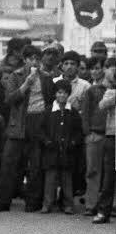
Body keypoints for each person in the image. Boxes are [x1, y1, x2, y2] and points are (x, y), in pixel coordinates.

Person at [0, 45, 56, 211]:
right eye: (31, 59)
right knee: (9, 163)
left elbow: (50, 100)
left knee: (35, 166)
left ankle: (33, 202)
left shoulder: (45, 77)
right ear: (25, 60)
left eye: (37, 59)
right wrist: (26, 85)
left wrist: (45, 115)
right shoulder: (16, 75)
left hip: (38, 121)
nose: (34, 62)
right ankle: (2, 201)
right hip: (19, 123)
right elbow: (9, 100)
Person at [40, 80, 83, 214]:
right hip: (51, 150)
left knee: (66, 180)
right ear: (55, 94)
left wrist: (73, 142)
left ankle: (68, 204)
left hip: (67, 151)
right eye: (59, 93)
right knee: (50, 179)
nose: (62, 96)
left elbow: (78, 132)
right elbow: (41, 130)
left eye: (64, 93)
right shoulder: (48, 111)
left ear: (68, 94)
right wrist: (47, 142)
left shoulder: (73, 112)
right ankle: (47, 204)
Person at [90, 59, 116, 224]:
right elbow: (102, 105)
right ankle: (103, 211)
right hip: (112, 137)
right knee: (109, 177)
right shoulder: (111, 92)